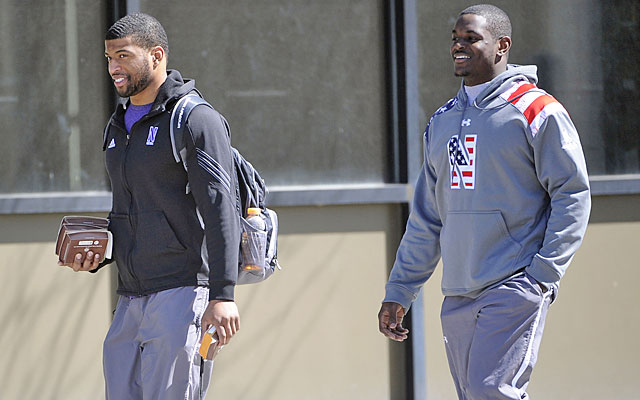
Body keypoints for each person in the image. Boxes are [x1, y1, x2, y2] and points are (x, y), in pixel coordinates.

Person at [377, 4, 590, 399]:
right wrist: (400, 290)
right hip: (458, 290)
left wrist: (542, 275)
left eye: (471, 39)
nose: (459, 46)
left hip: (514, 283)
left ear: (501, 45)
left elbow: (572, 193)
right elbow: (427, 217)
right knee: (475, 395)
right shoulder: (442, 121)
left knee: (492, 392)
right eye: (455, 39)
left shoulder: (537, 111)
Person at [57, 13, 240, 399]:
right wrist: (102, 252)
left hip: (182, 291)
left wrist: (223, 296)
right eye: (109, 59)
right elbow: (131, 210)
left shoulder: (194, 119)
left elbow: (221, 209)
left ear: (156, 55)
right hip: (130, 296)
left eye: (123, 56)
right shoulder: (118, 125)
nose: (113, 68)